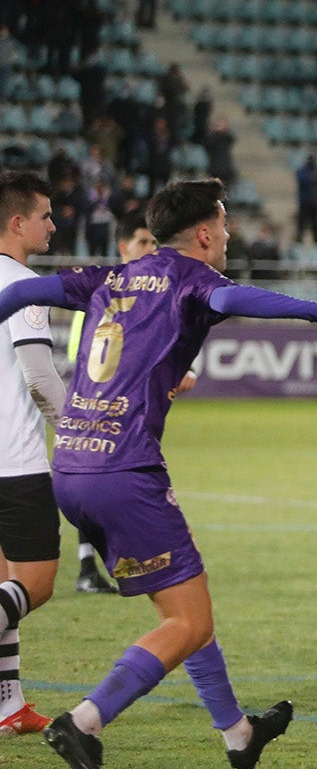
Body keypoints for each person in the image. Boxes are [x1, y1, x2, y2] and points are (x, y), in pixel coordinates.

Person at [0, 178, 317, 769]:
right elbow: (246, 299)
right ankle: (86, 721)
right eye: (226, 225)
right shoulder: (192, 279)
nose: (229, 236)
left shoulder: (112, 275)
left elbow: (18, 290)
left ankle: (238, 733)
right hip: (125, 474)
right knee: (189, 619)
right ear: (205, 233)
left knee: (185, 602)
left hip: (71, 468)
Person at [0, 172, 66, 736]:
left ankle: (8, 706)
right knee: (35, 585)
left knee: (2, 586)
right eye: (45, 214)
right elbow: (41, 380)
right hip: (14, 463)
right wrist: (81, 432)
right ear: (17, 222)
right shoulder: (25, 285)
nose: (53, 223)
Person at [66, 211, 163, 594]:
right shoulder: (102, 292)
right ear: (123, 248)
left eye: (154, 242)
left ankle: (104, 564)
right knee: (101, 489)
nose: (151, 249)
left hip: (133, 412)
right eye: (144, 242)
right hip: (99, 412)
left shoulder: (153, 292)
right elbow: (82, 358)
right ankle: (95, 565)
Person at [295, 154, 317, 244]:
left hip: (314, 202)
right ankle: (299, 241)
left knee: (315, 225)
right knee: (301, 223)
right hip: (304, 202)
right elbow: (302, 180)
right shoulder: (302, 170)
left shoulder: (316, 170)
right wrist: (314, 177)